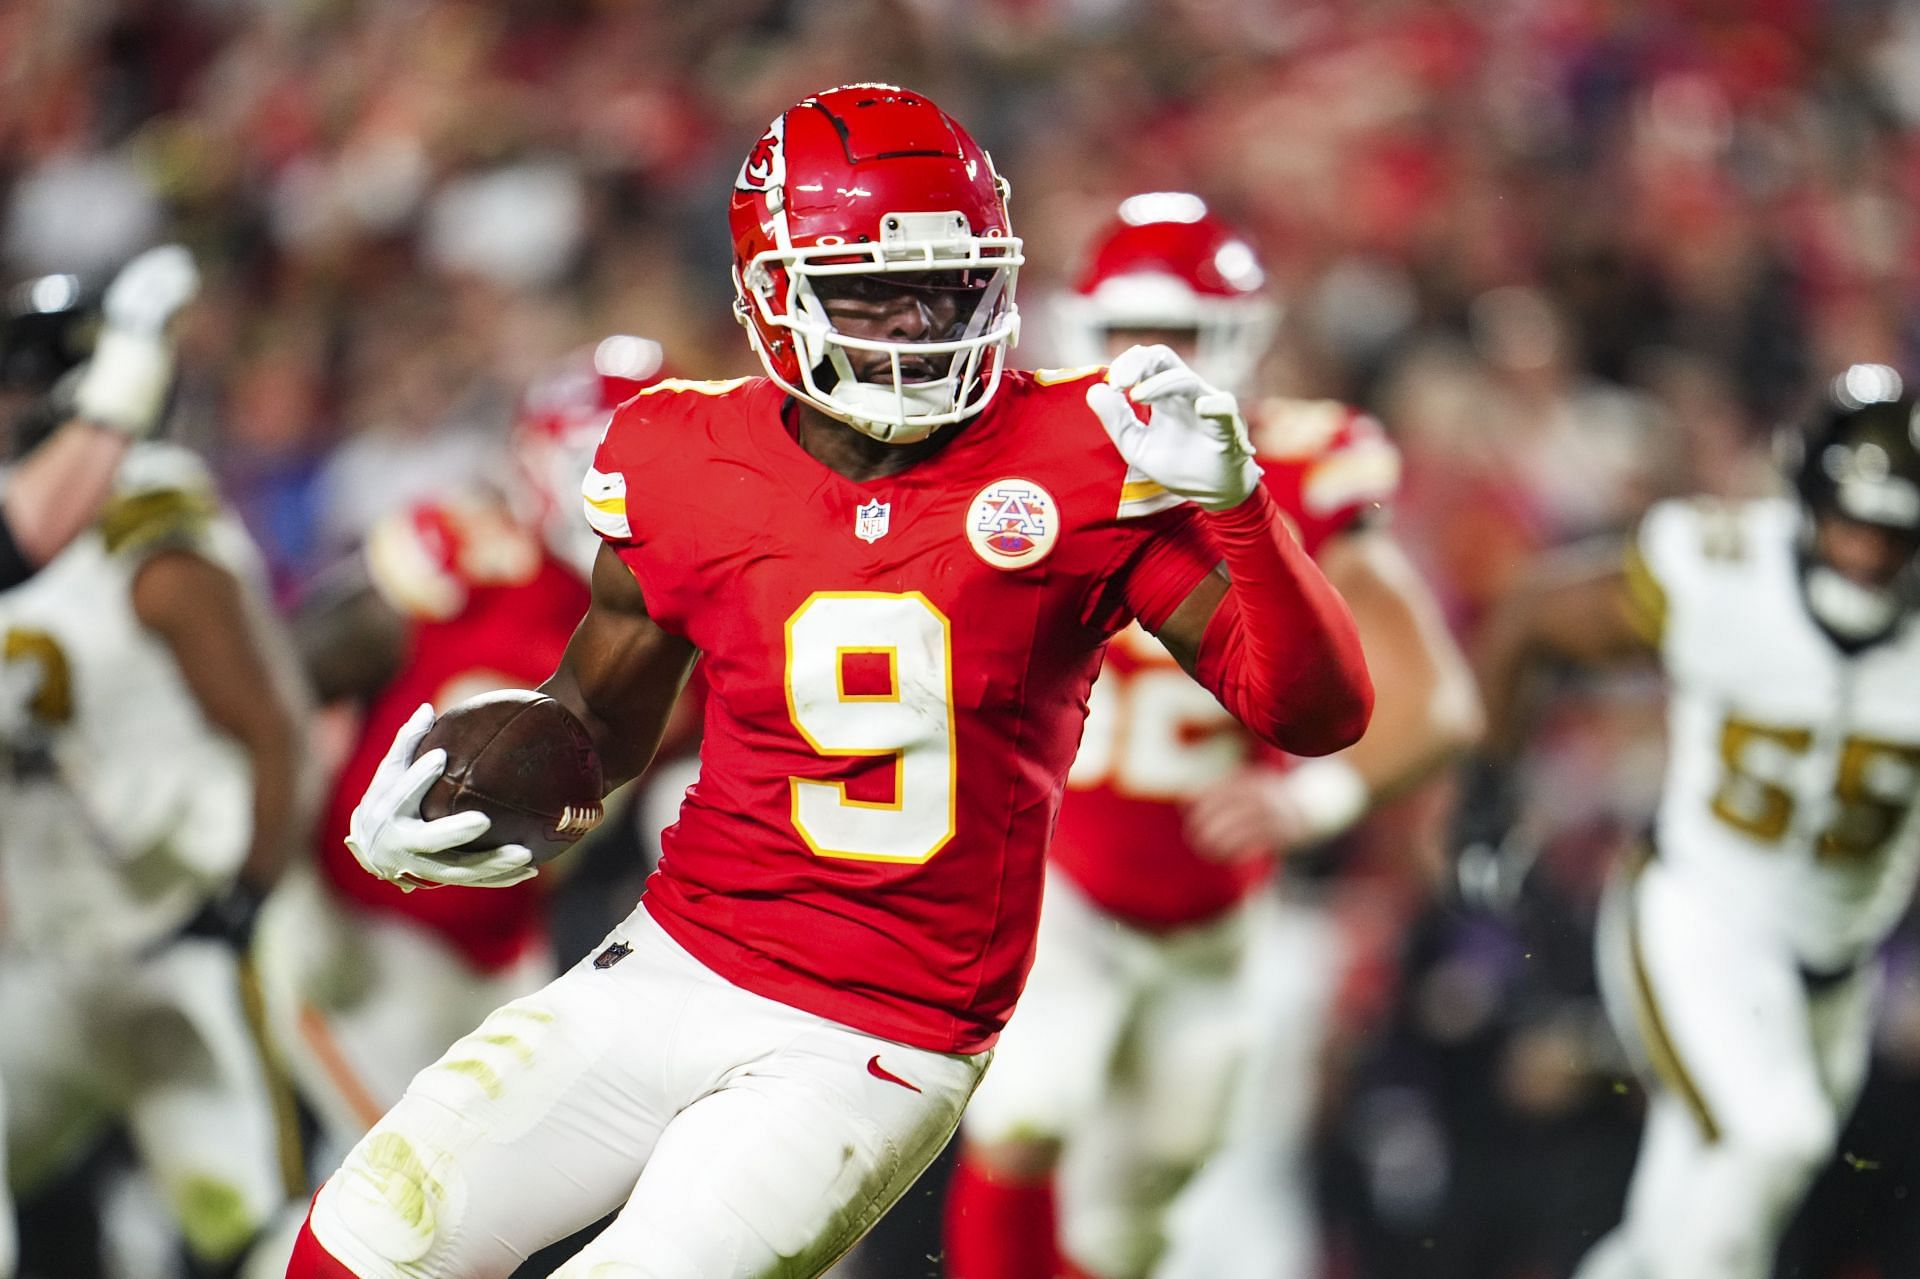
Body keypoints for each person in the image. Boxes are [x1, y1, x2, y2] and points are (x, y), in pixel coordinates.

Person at [284, 84, 1372, 1279]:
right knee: (358, 1241)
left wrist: (1240, 506)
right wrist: (475, 804)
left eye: (953, 285)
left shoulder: (1082, 456)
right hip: (675, 956)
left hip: (878, 1036)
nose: (922, 324)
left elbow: (1314, 711)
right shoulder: (680, 453)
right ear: (773, 292)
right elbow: (597, 719)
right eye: (874, 290)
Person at [944, 193, 1483, 1279]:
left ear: (1239, 338)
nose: (1154, 362)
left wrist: (1313, 800)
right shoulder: (1019, 458)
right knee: (1027, 1109)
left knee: (1133, 1218)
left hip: (1212, 919)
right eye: (1131, 333)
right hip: (1058, 875)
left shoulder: (1306, 464)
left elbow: (1442, 700)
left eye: (1185, 332)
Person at [1471, 364, 1920, 1279]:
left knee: (1702, 1218)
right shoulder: (1722, 576)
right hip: (1700, 916)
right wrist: (1487, 795)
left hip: (1838, 966)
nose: (1869, 552)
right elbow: (1531, 622)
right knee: (1771, 1138)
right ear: (1806, 500)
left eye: (1895, 532)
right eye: (1854, 521)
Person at [253, 339, 662, 1153]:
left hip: (506, 949)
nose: (635, 492)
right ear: (544, 457)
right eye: (607, 458)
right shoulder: (464, 554)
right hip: (360, 936)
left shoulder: (685, 612)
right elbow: (285, 677)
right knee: (400, 1201)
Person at [0, 425, 310, 1277]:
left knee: (248, 1229)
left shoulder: (143, 534)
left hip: (174, 933)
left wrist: (242, 898)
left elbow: (268, 726)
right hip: (47, 955)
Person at [0, 245, 199, 589]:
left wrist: (123, 374)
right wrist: (129, 367)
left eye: (19, 396)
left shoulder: (153, 489)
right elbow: (18, 544)